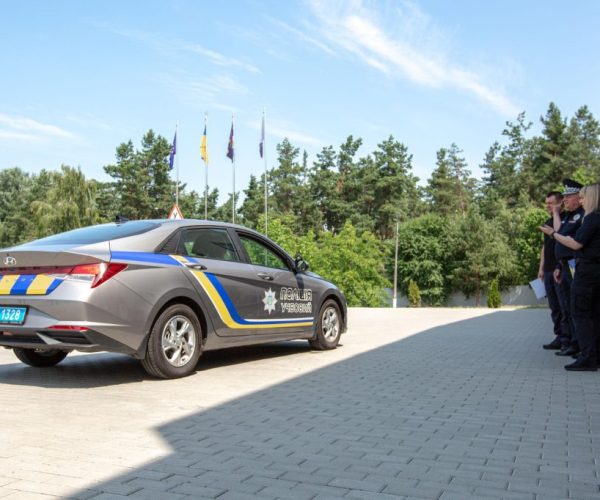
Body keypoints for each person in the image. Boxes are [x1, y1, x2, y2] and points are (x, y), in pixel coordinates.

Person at [540, 182, 600, 371]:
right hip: (581, 268)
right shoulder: (588, 218)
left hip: (587, 271)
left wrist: (553, 234)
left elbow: (576, 244)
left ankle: (587, 356)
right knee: (589, 312)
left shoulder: (590, 218)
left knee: (580, 312)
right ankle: (589, 353)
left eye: (582, 197)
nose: (581, 201)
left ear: (592, 198)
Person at [550, 179, 584, 357]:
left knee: (576, 306)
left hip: (574, 265)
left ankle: (579, 344)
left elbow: (573, 242)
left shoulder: (582, 215)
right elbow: (560, 237)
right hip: (564, 265)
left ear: (579, 197)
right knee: (566, 306)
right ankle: (572, 342)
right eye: (564, 197)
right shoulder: (569, 216)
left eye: (568, 196)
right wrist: (558, 265)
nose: (565, 200)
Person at [539, 191, 564, 350]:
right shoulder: (547, 221)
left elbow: (559, 234)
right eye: (547, 203)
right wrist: (541, 268)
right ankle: (559, 336)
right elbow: (545, 247)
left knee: (564, 306)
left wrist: (556, 213)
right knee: (554, 307)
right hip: (548, 270)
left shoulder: (565, 219)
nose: (548, 206)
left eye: (551, 203)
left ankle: (568, 339)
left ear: (560, 203)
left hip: (560, 269)